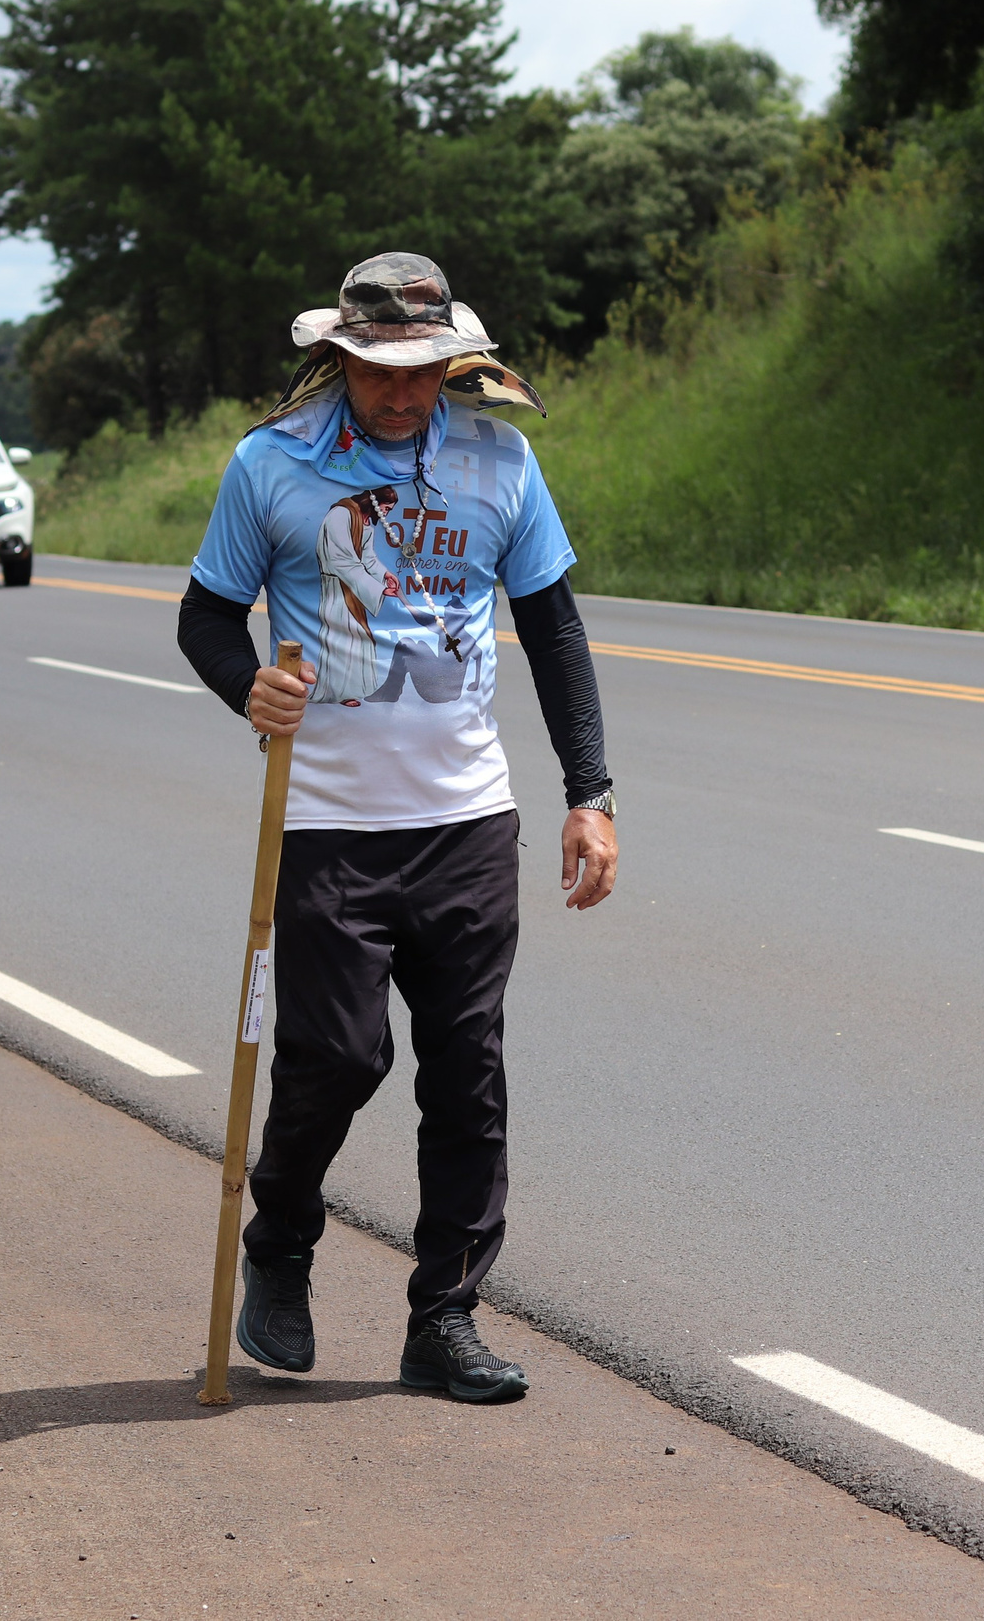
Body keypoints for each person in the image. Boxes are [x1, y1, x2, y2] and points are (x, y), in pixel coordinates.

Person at [178, 251, 618, 1404]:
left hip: (466, 818)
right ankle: (278, 1246)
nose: (404, 391)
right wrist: (247, 687)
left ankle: (444, 1317)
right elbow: (207, 616)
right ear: (340, 355)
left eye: (425, 369)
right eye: (380, 369)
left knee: (467, 1071)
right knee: (337, 1056)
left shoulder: (499, 460)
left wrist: (592, 795)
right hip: (324, 820)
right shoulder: (269, 467)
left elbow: (555, 631)